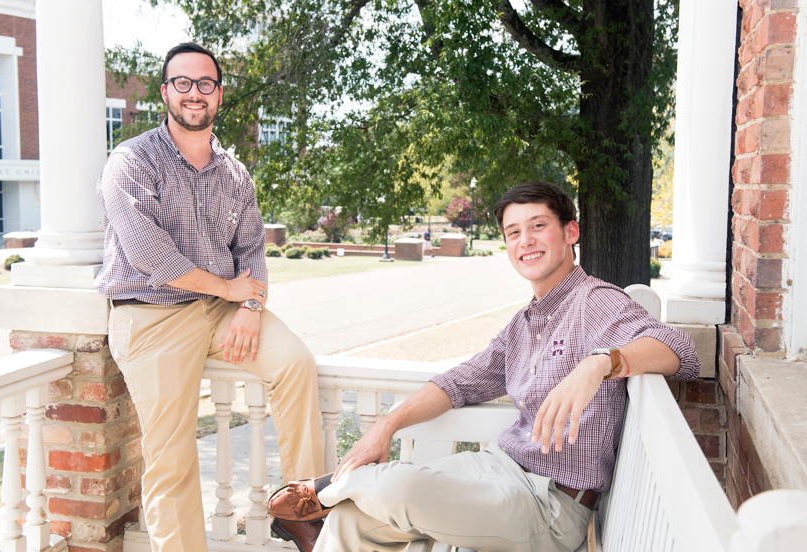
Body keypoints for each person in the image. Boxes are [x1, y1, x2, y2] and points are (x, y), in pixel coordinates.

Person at [268, 182, 700, 552]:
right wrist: (387, 425)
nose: (525, 241)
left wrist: (599, 364)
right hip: (495, 470)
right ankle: (331, 501)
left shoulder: (595, 301)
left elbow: (682, 350)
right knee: (349, 523)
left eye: (537, 226)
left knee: (396, 489)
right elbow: (459, 382)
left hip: (548, 504)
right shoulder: (525, 322)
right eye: (513, 232)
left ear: (570, 232)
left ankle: (323, 490)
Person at [95, 42, 324, 552]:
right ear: (165, 93)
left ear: (219, 95)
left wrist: (248, 306)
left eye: (205, 83)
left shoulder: (235, 173)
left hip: (223, 312)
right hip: (150, 316)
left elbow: (253, 254)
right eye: (182, 83)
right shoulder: (132, 160)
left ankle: (299, 508)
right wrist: (227, 289)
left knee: (295, 364)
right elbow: (149, 254)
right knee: (172, 456)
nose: (193, 93)